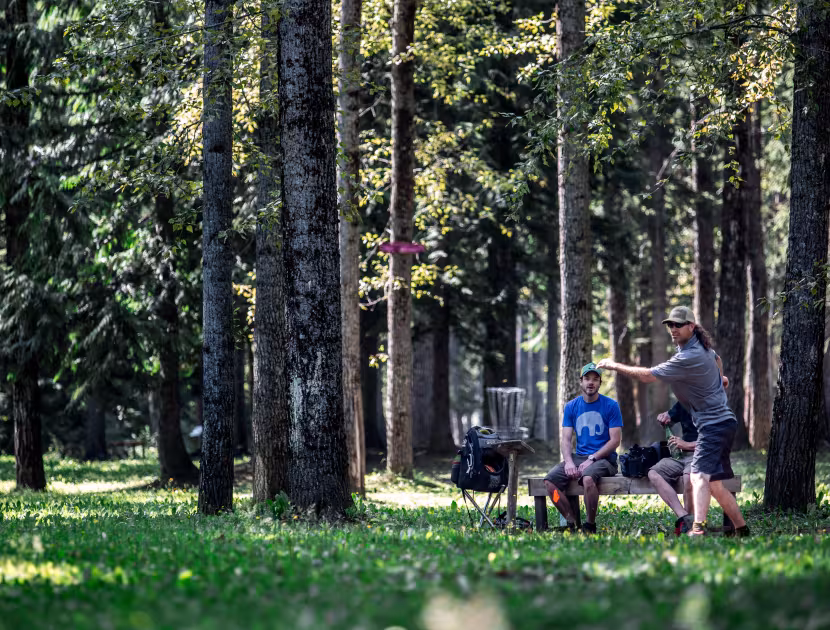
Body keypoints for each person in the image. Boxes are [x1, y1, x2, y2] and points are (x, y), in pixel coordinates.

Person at [598, 306, 750, 537]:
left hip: (714, 426)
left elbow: (648, 376)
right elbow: (717, 360)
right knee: (716, 484)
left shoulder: (690, 356)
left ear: (692, 327)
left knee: (698, 476)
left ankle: (697, 529)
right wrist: (720, 381)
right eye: (671, 325)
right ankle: (743, 529)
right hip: (723, 424)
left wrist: (613, 365)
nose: (673, 329)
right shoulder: (703, 350)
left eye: (679, 325)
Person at [544, 362, 622, 534]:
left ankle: (589, 524)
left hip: (604, 459)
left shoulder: (611, 406)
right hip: (579, 456)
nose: (591, 382)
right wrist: (569, 462)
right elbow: (565, 440)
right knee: (550, 482)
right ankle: (571, 521)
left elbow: (615, 441)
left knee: (587, 478)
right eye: (587, 378)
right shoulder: (571, 407)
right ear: (581, 381)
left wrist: (592, 459)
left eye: (595, 379)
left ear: (600, 383)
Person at [648, 402, 697, 535]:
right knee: (653, 473)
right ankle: (684, 517)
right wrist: (664, 418)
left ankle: (689, 527)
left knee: (688, 477)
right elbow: (669, 418)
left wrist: (686, 444)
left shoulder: (710, 404)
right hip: (681, 456)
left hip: (700, 454)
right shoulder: (684, 401)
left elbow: (713, 440)